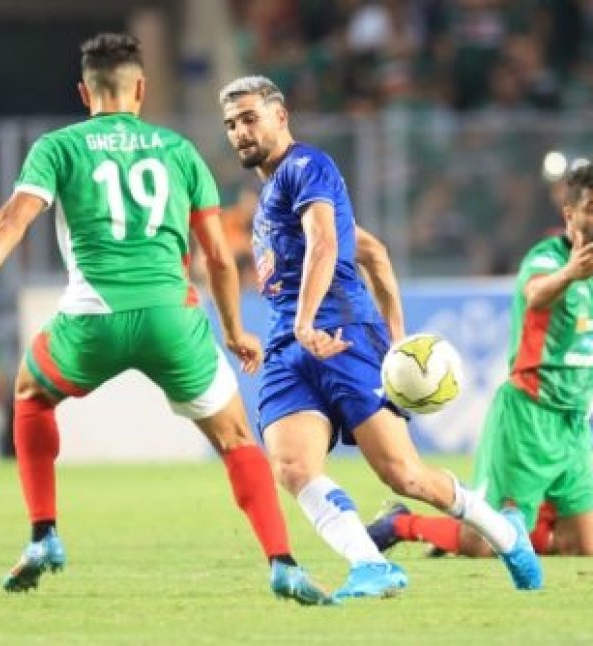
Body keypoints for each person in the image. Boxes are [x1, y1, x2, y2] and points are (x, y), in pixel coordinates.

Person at [0, 33, 333, 606]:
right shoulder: (180, 150)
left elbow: (14, 217)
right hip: (173, 319)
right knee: (237, 438)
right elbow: (217, 255)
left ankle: (44, 534)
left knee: (29, 395)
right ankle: (283, 563)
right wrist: (236, 330)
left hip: (93, 320)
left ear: (83, 92)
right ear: (141, 88)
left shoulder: (58, 147)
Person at [218, 74, 543, 599]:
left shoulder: (308, 166)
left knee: (405, 475)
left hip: (341, 333)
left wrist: (322, 324)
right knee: (292, 465)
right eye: (231, 124)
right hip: (288, 346)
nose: (240, 131)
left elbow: (326, 243)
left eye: (250, 118)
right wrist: (397, 338)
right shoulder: (271, 196)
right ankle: (373, 567)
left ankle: (507, 535)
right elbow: (371, 251)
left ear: (281, 116)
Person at [366, 163, 593, 558]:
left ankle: (519, 523)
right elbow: (536, 293)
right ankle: (401, 524)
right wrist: (569, 275)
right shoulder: (549, 258)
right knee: (483, 546)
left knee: (585, 545)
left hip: (573, 425)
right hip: (529, 418)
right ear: (570, 215)